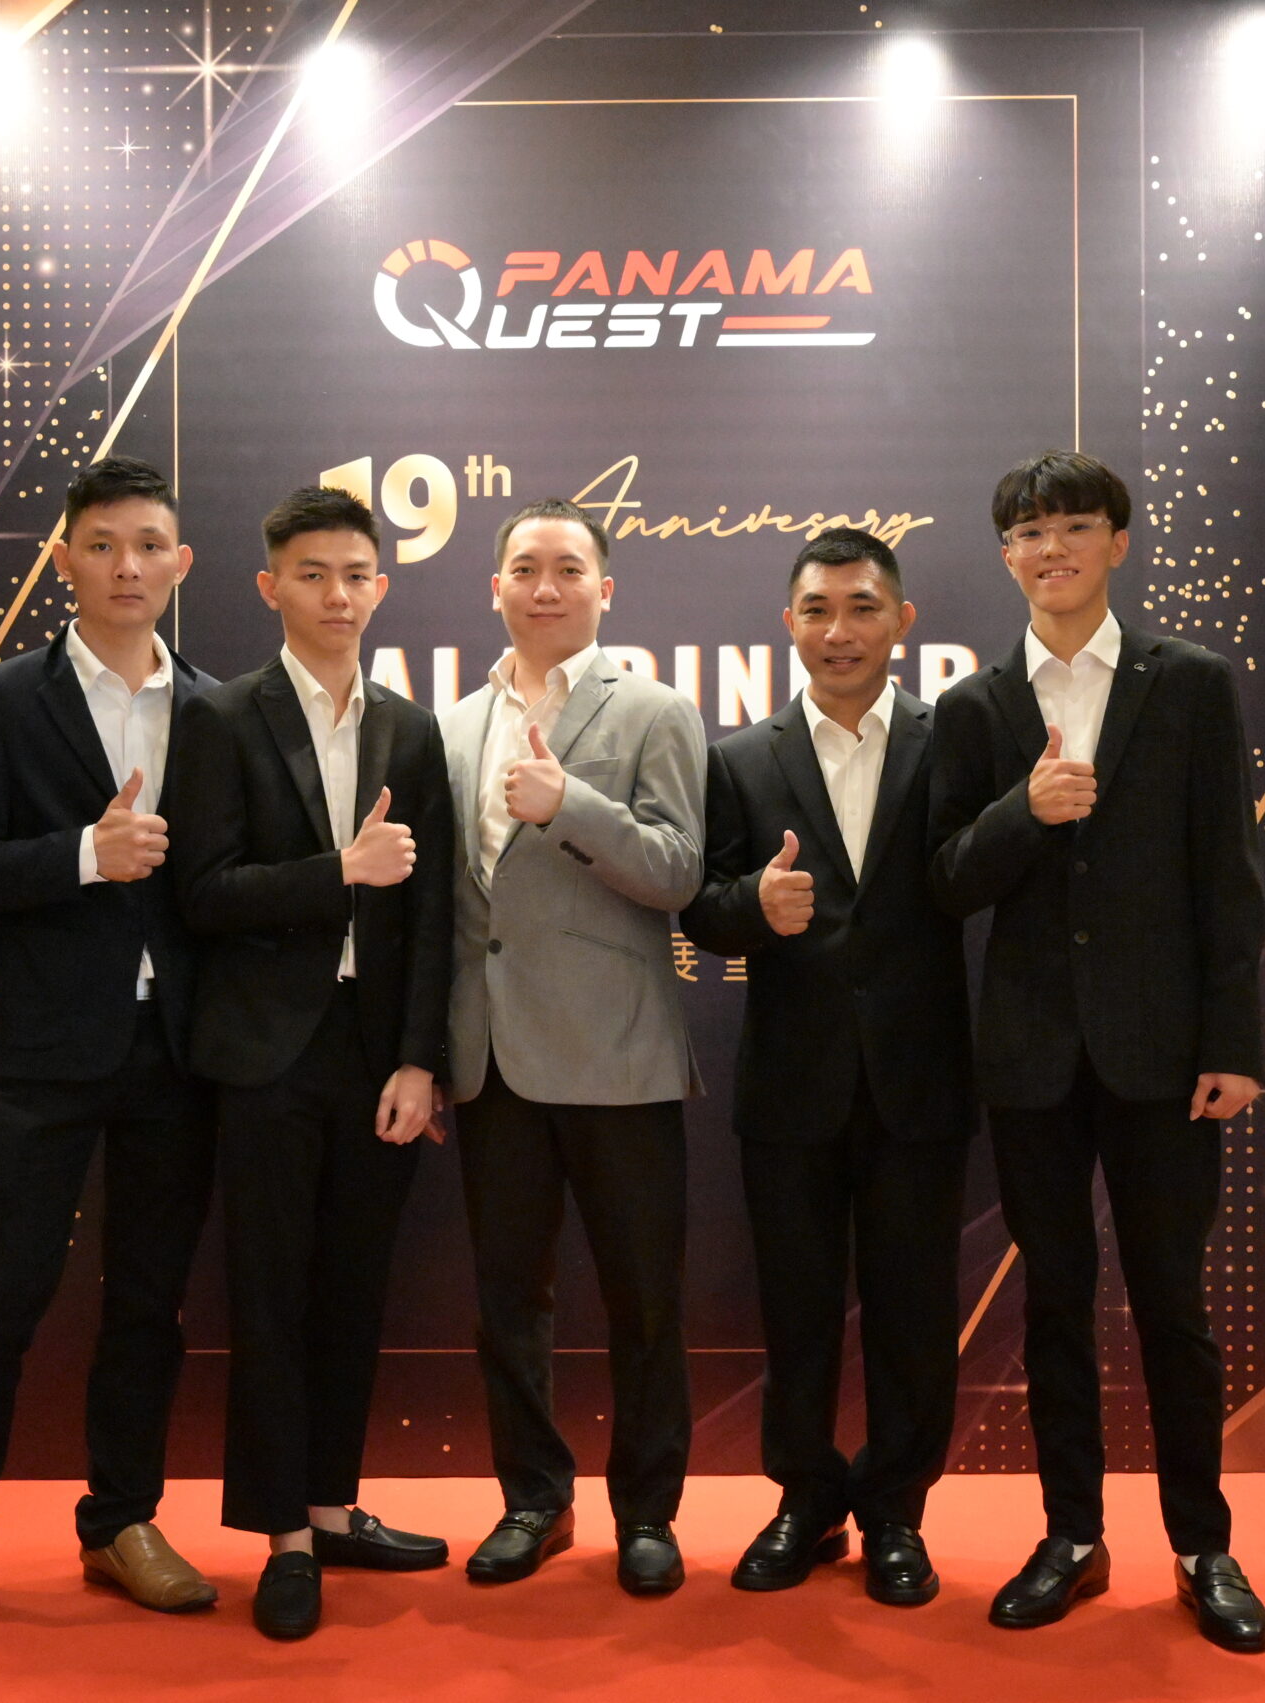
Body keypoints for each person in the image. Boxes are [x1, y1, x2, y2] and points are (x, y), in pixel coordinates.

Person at [0, 458, 219, 1648]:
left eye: (149, 544)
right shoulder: (1, 698)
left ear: (181, 562)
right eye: (102, 544)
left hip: (179, 1048)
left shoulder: (216, 706)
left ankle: (122, 1519)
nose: (127, 566)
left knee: (150, 1300)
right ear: (63, 559)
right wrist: (82, 854)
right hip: (48, 1046)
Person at [928, 450, 1265, 1653]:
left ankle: (1202, 1544)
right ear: (1005, 555)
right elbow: (945, 878)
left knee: (1172, 1301)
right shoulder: (973, 707)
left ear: (1117, 542)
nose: (1052, 548)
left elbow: (1229, 875)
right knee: (1055, 1302)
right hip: (1030, 1057)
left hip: (1167, 1056)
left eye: (1075, 526)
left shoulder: (1190, 685)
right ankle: (1071, 1534)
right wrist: (1024, 811)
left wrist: (1233, 1040)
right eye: (1029, 532)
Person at [164, 485, 457, 1641]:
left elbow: (430, 913)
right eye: (312, 573)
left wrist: (420, 1059)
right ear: (269, 585)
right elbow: (201, 894)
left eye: (355, 574)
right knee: (271, 1296)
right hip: (264, 1050)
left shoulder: (411, 729)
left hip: (376, 1053)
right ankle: (284, 1534)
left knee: (354, 1290)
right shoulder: (222, 716)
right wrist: (337, 868)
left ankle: (333, 1505)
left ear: (380, 586)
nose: (337, 594)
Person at [681, 527, 973, 1607]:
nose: (837, 630)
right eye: (816, 609)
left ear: (902, 620)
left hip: (920, 1079)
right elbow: (701, 910)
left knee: (912, 1312)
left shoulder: (954, 741)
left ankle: (897, 1509)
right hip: (790, 1084)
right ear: (789, 622)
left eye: (860, 607)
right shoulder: (740, 759)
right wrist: (753, 907)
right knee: (796, 1312)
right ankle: (804, 1501)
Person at [440, 498, 708, 1596]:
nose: (543, 586)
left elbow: (678, 871)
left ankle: (647, 1512)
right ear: (493, 587)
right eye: (523, 567)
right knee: (509, 1303)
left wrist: (570, 805)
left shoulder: (655, 709)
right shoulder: (454, 725)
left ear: (606, 588)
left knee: (643, 1301)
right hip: (491, 1058)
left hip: (619, 1057)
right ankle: (532, 1498)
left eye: (566, 568)